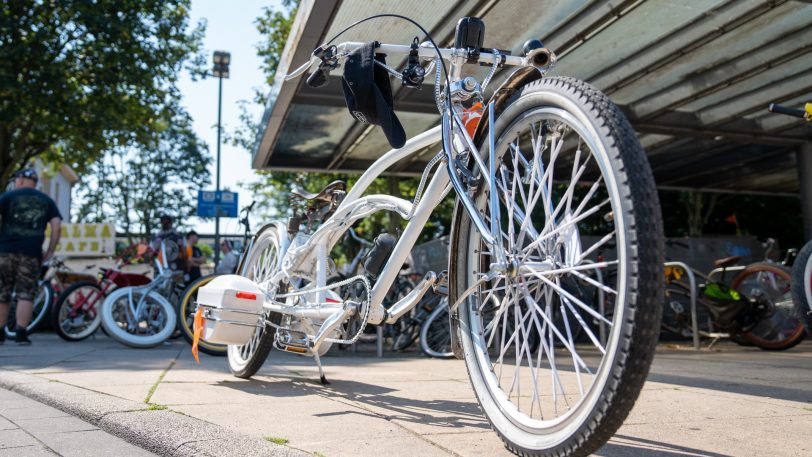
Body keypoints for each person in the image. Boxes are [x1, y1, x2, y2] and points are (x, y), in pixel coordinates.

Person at [0, 168, 61, 345]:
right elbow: (56, 226)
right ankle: (21, 333)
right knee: (26, 294)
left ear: (20, 180)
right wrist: (50, 250)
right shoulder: (46, 200)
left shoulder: (7, 197)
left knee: (1, 293)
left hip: (5, 251)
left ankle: (0, 334)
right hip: (31, 253)